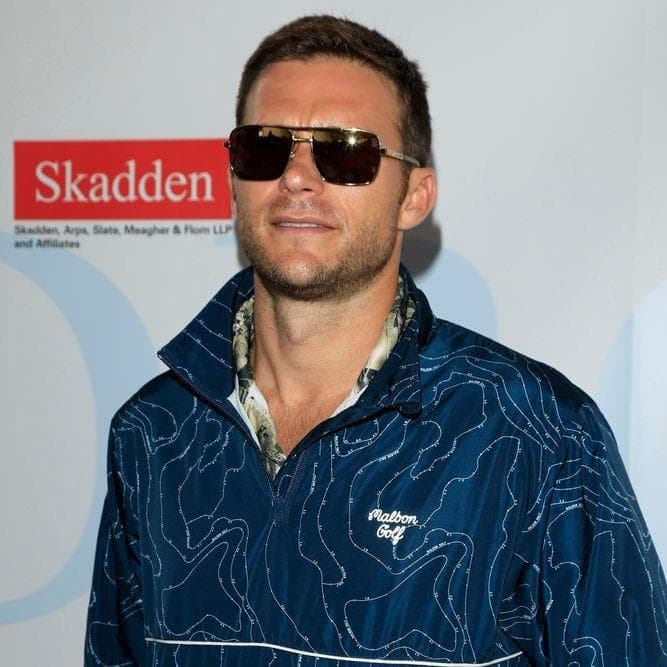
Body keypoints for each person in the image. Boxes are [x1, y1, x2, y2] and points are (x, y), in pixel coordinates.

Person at [85, 14, 667, 667]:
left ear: (414, 196)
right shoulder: (153, 433)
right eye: (265, 147)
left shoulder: (535, 434)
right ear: (233, 179)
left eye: (345, 152)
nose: (297, 176)